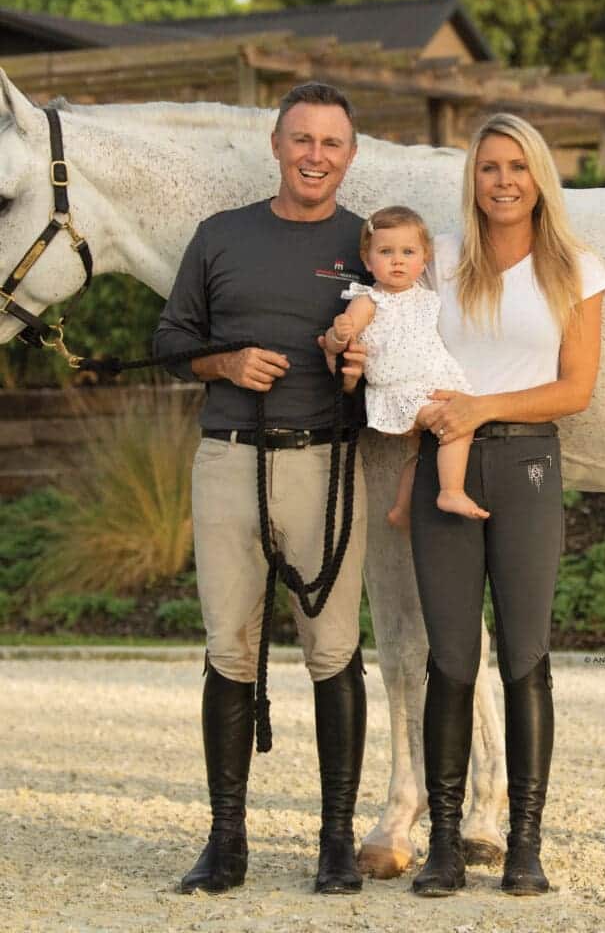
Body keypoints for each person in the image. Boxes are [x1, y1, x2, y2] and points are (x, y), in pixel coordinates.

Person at [154, 81, 370, 896]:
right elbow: (171, 338)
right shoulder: (220, 236)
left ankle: (337, 842)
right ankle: (225, 841)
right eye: (302, 139)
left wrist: (364, 363)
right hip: (228, 460)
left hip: (326, 465)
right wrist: (226, 362)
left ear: (351, 157)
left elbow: (411, 337)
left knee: (334, 652)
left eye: (332, 143)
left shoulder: (369, 243)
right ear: (276, 146)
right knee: (228, 650)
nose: (316, 155)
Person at [408, 113, 605, 897]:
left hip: (525, 465)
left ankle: (525, 841)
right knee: (451, 659)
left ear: (539, 178)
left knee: (525, 657)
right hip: (439, 469)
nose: (503, 180)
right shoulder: (444, 261)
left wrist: (480, 406)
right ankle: (445, 844)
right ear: (474, 178)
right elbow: (404, 342)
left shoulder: (576, 270)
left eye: (517, 166)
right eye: (489, 166)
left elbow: (576, 388)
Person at [324, 205, 488, 526]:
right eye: (386, 252)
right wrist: (337, 333)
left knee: (422, 452)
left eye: (408, 252)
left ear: (424, 258)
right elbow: (337, 341)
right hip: (398, 388)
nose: (397, 260)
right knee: (453, 424)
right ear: (368, 260)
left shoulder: (426, 296)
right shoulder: (368, 300)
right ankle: (450, 490)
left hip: (431, 381)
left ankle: (401, 509)